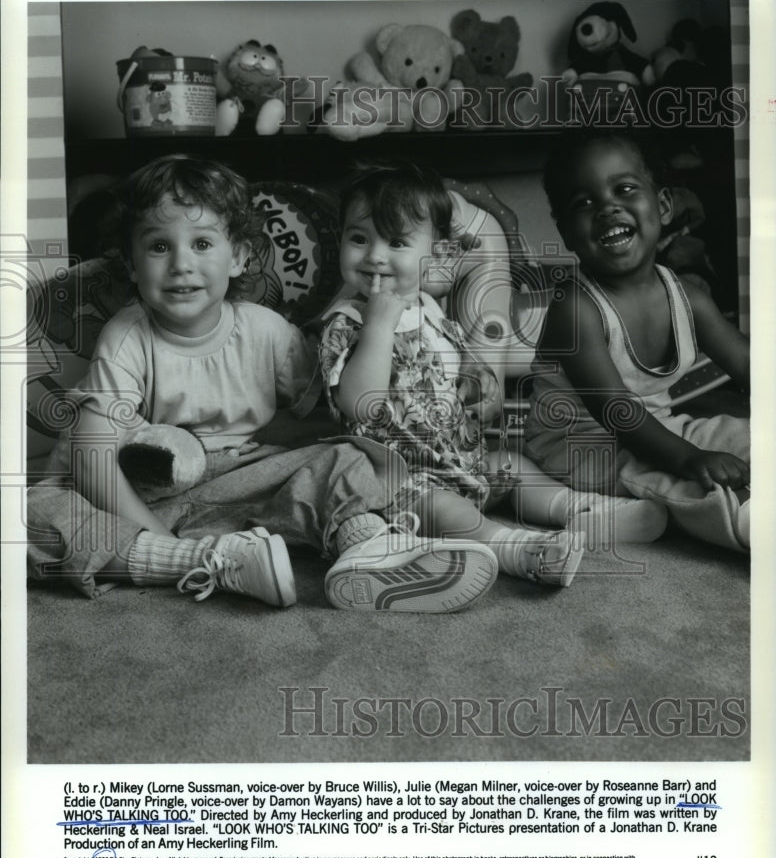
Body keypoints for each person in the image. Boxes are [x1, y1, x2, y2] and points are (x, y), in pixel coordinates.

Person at [27, 155, 501, 613]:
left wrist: (450, 372)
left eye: (202, 244)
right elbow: (91, 453)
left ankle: (368, 550)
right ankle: (191, 560)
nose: (181, 264)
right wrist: (155, 532)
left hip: (246, 482)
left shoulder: (265, 330)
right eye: (158, 247)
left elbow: (331, 408)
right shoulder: (127, 337)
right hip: (151, 496)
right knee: (34, 514)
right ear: (131, 264)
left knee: (352, 458)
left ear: (238, 257)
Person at [319, 160, 586, 588]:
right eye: (359, 238)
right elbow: (358, 404)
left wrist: (476, 378)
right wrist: (378, 327)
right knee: (444, 510)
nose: (374, 256)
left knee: (514, 466)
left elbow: (456, 359)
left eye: (397, 242)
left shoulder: (430, 308)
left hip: (462, 462)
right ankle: (518, 550)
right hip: (400, 480)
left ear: (437, 254)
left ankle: (580, 509)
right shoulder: (346, 321)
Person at [523, 129, 750, 551]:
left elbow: (748, 365)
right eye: (583, 203)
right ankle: (746, 521)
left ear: (662, 206)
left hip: (660, 429)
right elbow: (616, 410)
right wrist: (690, 459)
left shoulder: (687, 296)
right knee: (685, 482)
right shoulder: (576, 308)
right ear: (566, 232)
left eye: (624, 189)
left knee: (742, 437)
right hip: (579, 447)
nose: (607, 208)